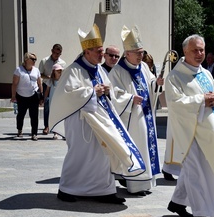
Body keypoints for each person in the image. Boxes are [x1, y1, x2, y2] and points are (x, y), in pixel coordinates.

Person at [49, 24, 145, 204]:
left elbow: (111, 93)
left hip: (101, 119)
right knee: (79, 154)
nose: (102, 55)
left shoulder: (100, 69)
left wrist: (107, 91)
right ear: (87, 52)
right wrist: (92, 91)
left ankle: (104, 191)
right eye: (99, 52)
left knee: (103, 154)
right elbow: (66, 95)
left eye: (102, 51)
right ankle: (67, 188)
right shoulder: (73, 70)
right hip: (80, 122)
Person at [165, 34, 214, 217]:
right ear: (185, 51)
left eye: (202, 49)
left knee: (199, 170)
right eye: (195, 50)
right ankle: (200, 214)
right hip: (189, 133)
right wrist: (202, 100)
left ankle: (177, 202)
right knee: (196, 172)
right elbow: (175, 104)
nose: (200, 53)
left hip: (209, 131)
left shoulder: (205, 73)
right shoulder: (175, 77)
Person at [109, 25, 163, 196]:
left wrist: (157, 84)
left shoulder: (144, 68)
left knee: (148, 148)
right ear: (127, 54)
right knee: (136, 147)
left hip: (146, 116)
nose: (141, 56)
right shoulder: (117, 71)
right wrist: (131, 99)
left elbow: (151, 83)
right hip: (131, 119)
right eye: (138, 53)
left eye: (142, 52)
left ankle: (146, 183)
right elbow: (114, 94)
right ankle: (134, 185)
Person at [11, 52, 43, 141]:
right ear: (26, 59)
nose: (34, 61)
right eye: (32, 59)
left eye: (35, 59)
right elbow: (14, 84)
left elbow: (39, 83)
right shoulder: (19, 70)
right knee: (21, 114)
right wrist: (13, 96)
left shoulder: (36, 70)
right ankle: (19, 129)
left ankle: (34, 134)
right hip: (21, 96)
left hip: (33, 95)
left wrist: (41, 96)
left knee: (34, 115)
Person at [38, 44, 66, 135]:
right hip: (47, 85)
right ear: (52, 51)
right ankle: (47, 126)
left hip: (59, 86)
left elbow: (64, 75)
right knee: (47, 106)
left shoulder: (62, 63)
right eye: (55, 53)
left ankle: (57, 128)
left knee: (58, 107)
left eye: (58, 53)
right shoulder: (44, 61)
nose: (56, 55)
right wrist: (48, 77)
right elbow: (39, 74)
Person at [43, 64, 64, 140]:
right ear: (53, 71)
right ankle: (55, 132)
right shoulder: (51, 80)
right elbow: (47, 90)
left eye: (60, 70)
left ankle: (63, 133)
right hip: (53, 101)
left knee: (61, 117)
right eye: (57, 70)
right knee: (54, 116)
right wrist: (44, 99)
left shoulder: (63, 79)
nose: (59, 72)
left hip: (61, 101)